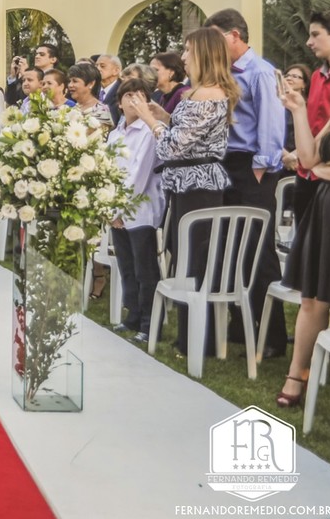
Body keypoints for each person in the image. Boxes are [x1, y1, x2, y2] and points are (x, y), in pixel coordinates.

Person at [129, 27, 238, 358]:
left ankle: (197, 341)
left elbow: (172, 147)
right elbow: (187, 134)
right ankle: (192, 337)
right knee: (186, 258)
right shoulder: (199, 92)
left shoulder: (206, 95)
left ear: (203, 54)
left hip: (197, 186)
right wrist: (163, 115)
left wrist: (149, 120)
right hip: (189, 183)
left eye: (189, 51)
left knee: (195, 263)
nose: (184, 57)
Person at [204, 8, 287, 358]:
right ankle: (240, 326)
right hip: (226, 165)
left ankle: (273, 336)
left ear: (234, 35)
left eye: (216, 37)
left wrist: (260, 167)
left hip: (252, 168)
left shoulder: (261, 72)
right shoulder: (221, 72)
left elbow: (272, 123)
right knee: (229, 247)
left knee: (258, 248)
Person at [274, 72, 330, 407]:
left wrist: (324, 170)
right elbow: (308, 160)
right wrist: (297, 110)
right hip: (327, 206)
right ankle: (296, 375)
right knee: (312, 299)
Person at [108, 78, 164, 343]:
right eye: (128, 96)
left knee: (145, 269)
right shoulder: (115, 134)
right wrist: (110, 209)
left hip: (140, 208)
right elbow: (107, 170)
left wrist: (120, 209)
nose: (134, 100)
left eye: (140, 95)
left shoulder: (149, 132)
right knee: (126, 265)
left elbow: (139, 174)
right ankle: (132, 314)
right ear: (119, 103)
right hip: (115, 210)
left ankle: (150, 322)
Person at [291, 11, 330, 231]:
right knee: (303, 242)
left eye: (316, 34)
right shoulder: (317, 76)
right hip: (305, 175)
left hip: (327, 179)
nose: (309, 42)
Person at [281, 63, 312, 172]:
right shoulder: (275, 104)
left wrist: (294, 155)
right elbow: (268, 132)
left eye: (295, 76)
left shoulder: (310, 107)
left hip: (303, 161)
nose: (289, 78)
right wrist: (285, 155)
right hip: (277, 159)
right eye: (286, 75)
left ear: (304, 84)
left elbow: (315, 134)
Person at [67, 61, 112, 129]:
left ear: (91, 84)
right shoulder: (73, 108)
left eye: (75, 81)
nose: (70, 85)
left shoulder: (101, 111)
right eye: (69, 81)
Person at [96, 54, 123, 126]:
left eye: (102, 66)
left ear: (116, 70)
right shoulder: (92, 89)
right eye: (96, 66)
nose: (98, 69)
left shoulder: (123, 90)